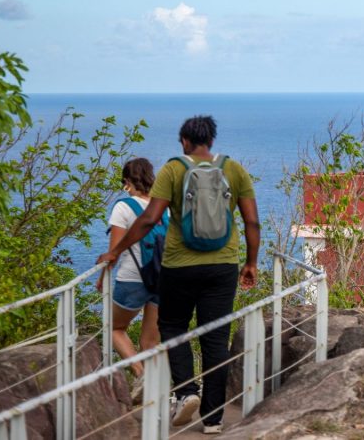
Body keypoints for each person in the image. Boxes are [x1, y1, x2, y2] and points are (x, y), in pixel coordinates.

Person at [97, 115, 260, 435]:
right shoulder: (234, 169)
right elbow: (252, 222)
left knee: (172, 327)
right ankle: (213, 419)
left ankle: (187, 392)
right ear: (211, 140)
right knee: (216, 338)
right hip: (222, 267)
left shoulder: (173, 170)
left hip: (178, 266)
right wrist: (251, 263)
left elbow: (148, 220)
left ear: (184, 141)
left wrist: (116, 252)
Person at [96, 157, 162, 403]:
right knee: (150, 342)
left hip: (133, 278)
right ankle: (154, 392)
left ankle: (141, 375)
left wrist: (102, 277)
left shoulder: (123, 207)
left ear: (127, 181)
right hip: (162, 278)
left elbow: (114, 252)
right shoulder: (162, 206)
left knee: (113, 327)